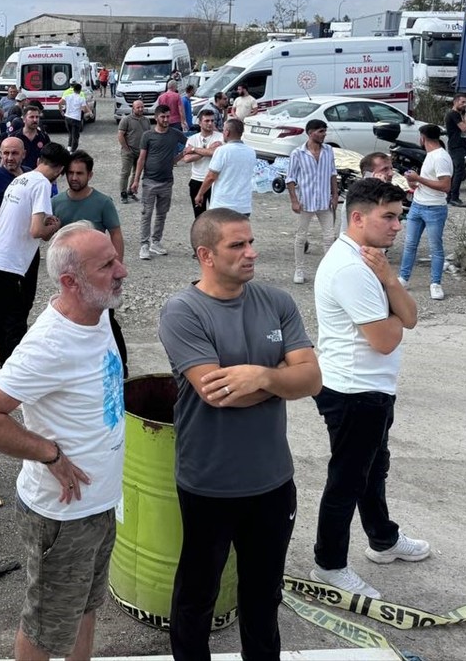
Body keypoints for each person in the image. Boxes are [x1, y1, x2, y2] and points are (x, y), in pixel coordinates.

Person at [159, 209, 321, 660]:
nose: (252, 252)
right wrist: (280, 378)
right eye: (238, 245)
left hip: (272, 481)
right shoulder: (182, 312)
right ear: (205, 255)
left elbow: (312, 380)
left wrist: (262, 379)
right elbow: (216, 393)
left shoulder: (277, 302)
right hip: (209, 481)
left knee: (263, 598)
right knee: (197, 596)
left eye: (251, 242)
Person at [0, 223, 127, 661]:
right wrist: (48, 453)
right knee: (45, 628)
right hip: (64, 516)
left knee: (85, 609)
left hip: (97, 504)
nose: (122, 271)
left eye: (116, 258)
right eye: (107, 265)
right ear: (71, 282)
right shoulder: (49, 344)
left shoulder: (97, 312)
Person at [311, 178, 424, 600]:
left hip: (373, 388)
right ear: (358, 218)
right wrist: (393, 309)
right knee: (347, 479)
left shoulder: (373, 263)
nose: (398, 226)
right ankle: (329, 563)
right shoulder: (350, 269)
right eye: (389, 217)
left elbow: (409, 318)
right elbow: (387, 338)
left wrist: (392, 283)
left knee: (374, 470)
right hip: (353, 391)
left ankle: (383, 539)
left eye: (399, 217)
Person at [0, 142, 68, 363]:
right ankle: (12, 372)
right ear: (59, 170)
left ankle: (3, 356)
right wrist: (55, 226)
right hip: (13, 262)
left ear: (40, 160)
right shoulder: (42, 184)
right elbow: (36, 230)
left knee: (4, 314)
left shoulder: (21, 179)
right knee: (15, 318)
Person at [52, 151, 128, 377]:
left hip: (98, 276)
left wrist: (114, 269)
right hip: (71, 278)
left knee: (106, 320)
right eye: (70, 173)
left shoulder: (103, 202)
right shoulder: (56, 202)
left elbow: (116, 233)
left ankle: (120, 369)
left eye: (79, 173)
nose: (74, 177)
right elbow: (50, 237)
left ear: (90, 175)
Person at [397, 125, 453, 299]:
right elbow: (431, 181)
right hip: (418, 204)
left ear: (422, 137)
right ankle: (403, 278)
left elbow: (445, 186)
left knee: (435, 247)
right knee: (409, 244)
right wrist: (414, 183)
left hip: (434, 208)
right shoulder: (430, 155)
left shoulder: (441, 157)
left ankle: (436, 283)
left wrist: (418, 178)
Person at [129, 104, 186, 261]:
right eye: (163, 117)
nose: (166, 119)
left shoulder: (175, 134)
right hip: (149, 181)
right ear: (156, 117)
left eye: (168, 116)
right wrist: (135, 181)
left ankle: (156, 242)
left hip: (167, 182)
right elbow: (141, 159)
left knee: (162, 214)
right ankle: (144, 245)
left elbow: (190, 144)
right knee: (146, 214)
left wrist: (180, 156)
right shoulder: (147, 136)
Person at [286, 120, 338, 285]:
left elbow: (332, 174)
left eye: (325, 131)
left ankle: (328, 271)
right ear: (310, 133)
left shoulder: (328, 150)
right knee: (301, 237)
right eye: (321, 131)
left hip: (324, 201)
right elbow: (290, 178)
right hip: (305, 201)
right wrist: (294, 200)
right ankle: (299, 269)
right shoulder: (298, 153)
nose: (324, 135)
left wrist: (335, 195)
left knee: (329, 237)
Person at [196, 118, 256, 217]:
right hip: (243, 205)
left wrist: (200, 194)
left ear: (227, 132)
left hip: (223, 205)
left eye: (223, 130)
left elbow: (211, 176)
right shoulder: (251, 152)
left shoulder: (222, 151)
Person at [182, 109, 222, 219]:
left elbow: (215, 152)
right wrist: (207, 150)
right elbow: (186, 159)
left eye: (212, 121)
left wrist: (194, 149)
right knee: (199, 216)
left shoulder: (220, 137)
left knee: (216, 216)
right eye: (207, 121)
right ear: (200, 122)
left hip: (215, 181)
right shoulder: (192, 139)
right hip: (196, 180)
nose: (210, 123)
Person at [117, 100, 151, 204]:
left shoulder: (146, 120)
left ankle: (131, 191)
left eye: (142, 107)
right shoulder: (126, 120)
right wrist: (126, 148)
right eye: (138, 107)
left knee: (137, 173)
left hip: (141, 152)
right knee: (125, 173)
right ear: (133, 108)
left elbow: (148, 135)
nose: (140, 109)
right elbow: (120, 135)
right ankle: (123, 194)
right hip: (128, 152)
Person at [443, 94, 466, 208]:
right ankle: (454, 197)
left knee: (456, 171)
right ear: (455, 102)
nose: (464, 105)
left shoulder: (457, 114)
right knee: (458, 172)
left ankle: (450, 196)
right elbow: (464, 128)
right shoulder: (454, 114)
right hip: (455, 146)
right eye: (462, 102)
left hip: (459, 144)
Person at [12, 102, 50, 171]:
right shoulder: (15, 137)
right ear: (24, 119)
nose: (35, 120)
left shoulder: (44, 137)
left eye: (37, 117)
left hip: (38, 175)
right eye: (31, 117)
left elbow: (49, 159)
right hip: (19, 175)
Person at [60, 82, 91, 152]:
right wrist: (88, 113)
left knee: (70, 134)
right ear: (80, 90)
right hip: (76, 119)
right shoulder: (81, 98)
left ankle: (68, 148)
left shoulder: (68, 96)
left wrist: (61, 111)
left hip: (67, 117)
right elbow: (84, 109)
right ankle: (72, 151)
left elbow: (59, 102)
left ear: (73, 89)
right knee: (75, 136)